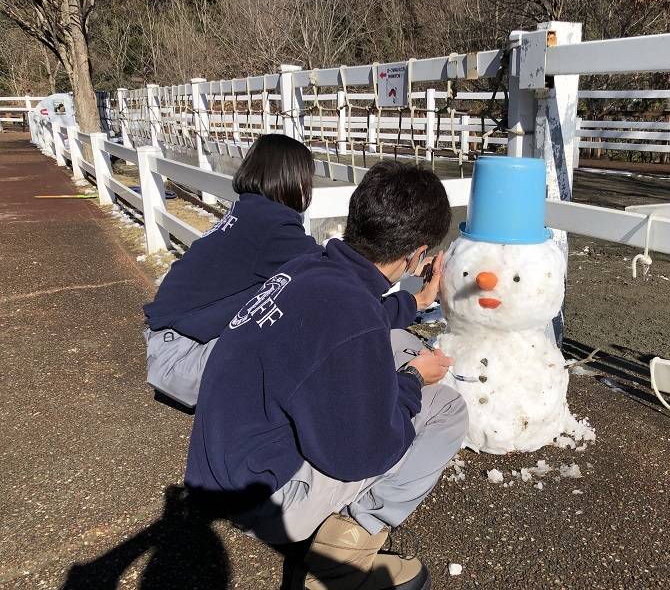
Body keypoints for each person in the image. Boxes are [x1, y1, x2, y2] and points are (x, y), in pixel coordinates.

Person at [185, 161, 468, 590]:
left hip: (221, 465)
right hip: (269, 498)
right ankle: (339, 564)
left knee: (393, 345)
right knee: (446, 408)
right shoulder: (352, 314)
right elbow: (362, 452)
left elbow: (361, 318)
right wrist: (411, 378)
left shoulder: (308, 267)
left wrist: (416, 301)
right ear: (417, 254)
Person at [143, 135, 437, 408]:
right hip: (182, 359)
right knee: (317, 332)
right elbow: (347, 297)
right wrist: (416, 299)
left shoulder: (248, 213)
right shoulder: (273, 229)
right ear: (294, 181)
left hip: (169, 343)